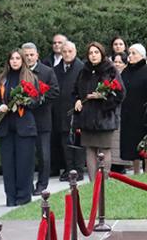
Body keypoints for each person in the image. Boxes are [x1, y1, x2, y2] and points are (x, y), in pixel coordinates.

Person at [0, 49, 39, 206]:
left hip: (24, 127)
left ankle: (23, 197)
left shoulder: (31, 78)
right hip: (6, 128)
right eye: (12, 58)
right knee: (8, 164)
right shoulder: (2, 80)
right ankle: (11, 197)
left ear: (23, 61)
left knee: (24, 164)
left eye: (17, 58)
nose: (14, 61)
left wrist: (24, 102)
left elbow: (36, 101)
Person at [73, 42, 124, 177]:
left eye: (96, 52)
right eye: (90, 53)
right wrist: (77, 100)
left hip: (104, 117)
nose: (93, 55)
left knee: (104, 150)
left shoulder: (111, 70)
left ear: (102, 54)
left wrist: (103, 97)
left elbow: (120, 94)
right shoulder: (84, 71)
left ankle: (104, 182)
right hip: (87, 118)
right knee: (90, 150)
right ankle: (92, 184)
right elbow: (75, 91)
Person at [22, 42, 60, 194]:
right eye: (26, 55)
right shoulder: (19, 71)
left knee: (44, 155)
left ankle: (42, 184)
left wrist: (38, 99)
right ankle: (28, 184)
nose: (29, 58)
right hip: (24, 119)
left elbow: (55, 92)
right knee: (27, 155)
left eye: (32, 55)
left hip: (42, 119)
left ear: (37, 55)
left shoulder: (47, 71)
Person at [119, 43, 147, 174]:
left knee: (146, 144)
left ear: (141, 55)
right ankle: (136, 172)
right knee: (131, 146)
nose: (130, 56)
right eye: (129, 53)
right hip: (129, 115)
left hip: (144, 115)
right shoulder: (126, 71)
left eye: (133, 53)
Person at [52, 40, 84, 181]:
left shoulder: (82, 68)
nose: (67, 54)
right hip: (60, 111)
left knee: (77, 142)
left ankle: (78, 170)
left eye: (70, 51)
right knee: (65, 142)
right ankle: (69, 169)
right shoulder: (56, 69)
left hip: (77, 111)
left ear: (75, 51)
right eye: (64, 51)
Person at [109, 52, 132, 175]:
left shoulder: (127, 75)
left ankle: (122, 165)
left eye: (120, 62)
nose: (117, 64)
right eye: (115, 61)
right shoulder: (110, 75)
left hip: (125, 111)